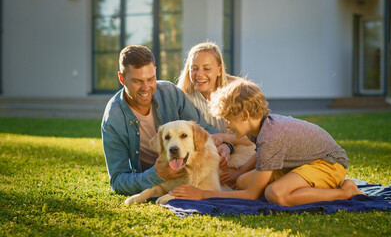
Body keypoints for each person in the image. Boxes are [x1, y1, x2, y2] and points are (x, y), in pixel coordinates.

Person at [170, 79, 365, 206]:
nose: (227, 126)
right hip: (303, 163)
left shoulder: (271, 137)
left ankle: (344, 192)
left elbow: (252, 195)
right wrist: (240, 171)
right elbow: (261, 154)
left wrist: (203, 195)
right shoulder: (261, 126)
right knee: (242, 181)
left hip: (329, 164)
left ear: (245, 115)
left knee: (275, 194)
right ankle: (305, 187)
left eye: (229, 119)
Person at [101, 45, 232, 196]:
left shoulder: (170, 92)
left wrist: (227, 145)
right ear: (122, 79)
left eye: (151, 79)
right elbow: (118, 181)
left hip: (187, 171)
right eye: (138, 81)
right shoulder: (113, 120)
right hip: (154, 179)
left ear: (155, 72)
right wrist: (157, 174)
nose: (146, 88)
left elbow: (204, 129)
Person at [176, 42, 256, 187]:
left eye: (206, 68)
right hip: (208, 154)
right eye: (194, 69)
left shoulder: (238, 91)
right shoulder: (184, 98)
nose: (199, 74)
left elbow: (253, 137)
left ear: (219, 70)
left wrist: (227, 143)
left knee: (242, 180)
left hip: (243, 150)